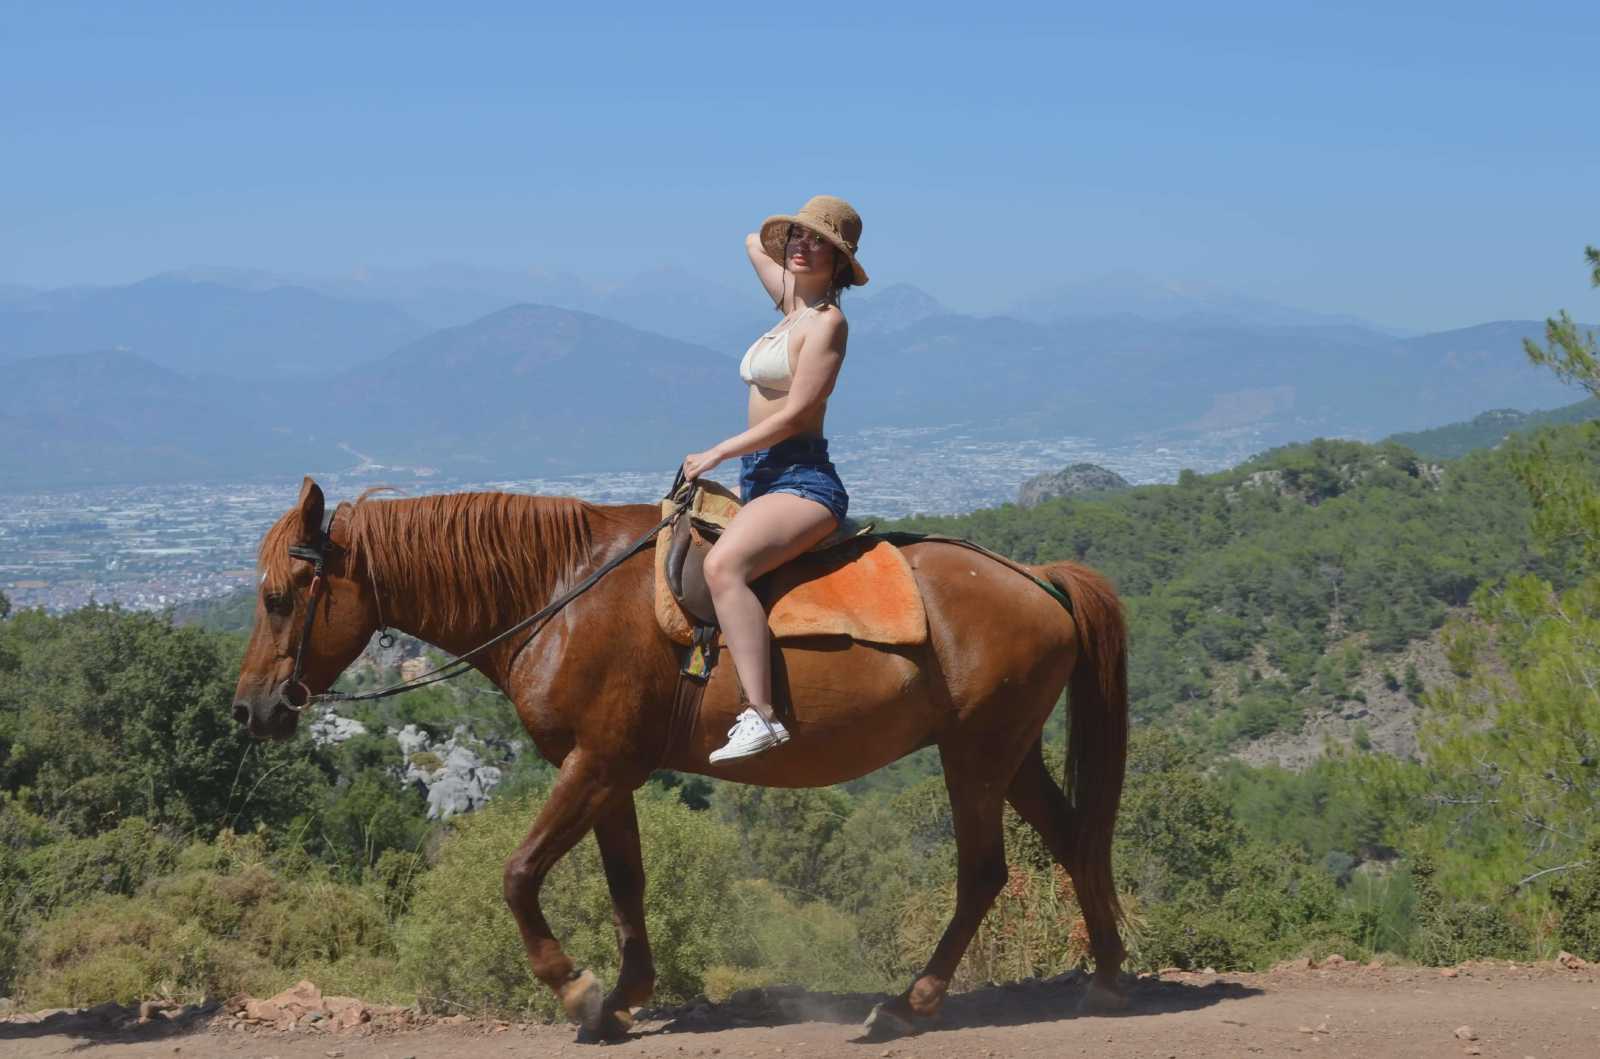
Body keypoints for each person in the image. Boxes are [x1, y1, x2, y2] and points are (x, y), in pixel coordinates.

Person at [680, 195, 869, 763]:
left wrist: (717, 451)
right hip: (760, 478)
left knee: (723, 567)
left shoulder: (829, 324)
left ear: (840, 264)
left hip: (802, 480)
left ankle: (762, 714)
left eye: (819, 243)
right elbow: (749, 242)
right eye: (796, 238)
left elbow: (793, 415)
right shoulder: (790, 306)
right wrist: (786, 235)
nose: (802, 246)